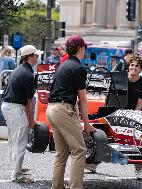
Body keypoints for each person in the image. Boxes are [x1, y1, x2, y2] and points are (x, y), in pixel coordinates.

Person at [46, 35, 95, 189]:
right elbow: (82, 99)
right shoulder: (79, 68)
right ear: (80, 48)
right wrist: (86, 124)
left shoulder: (63, 65)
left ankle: (57, 187)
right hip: (62, 109)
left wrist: (77, 118)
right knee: (79, 150)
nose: (86, 50)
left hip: (52, 109)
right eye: (85, 47)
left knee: (61, 153)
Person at [1, 45, 43, 183]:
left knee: (14, 140)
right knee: (20, 141)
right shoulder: (27, 75)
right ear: (30, 57)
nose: (37, 57)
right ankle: (17, 175)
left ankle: (16, 167)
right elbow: (29, 103)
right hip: (15, 108)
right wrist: (31, 121)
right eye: (36, 55)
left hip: (9, 106)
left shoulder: (21, 69)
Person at [126, 53, 142, 180]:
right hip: (119, 111)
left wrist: (131, 118)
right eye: (131, 65)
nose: (133, 68)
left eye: (137, 66)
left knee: (138, 142)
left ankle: (138, 168)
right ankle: (92, 163)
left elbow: (139, 106)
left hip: (137, 114)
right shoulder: (120, 79)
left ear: (141, 69)